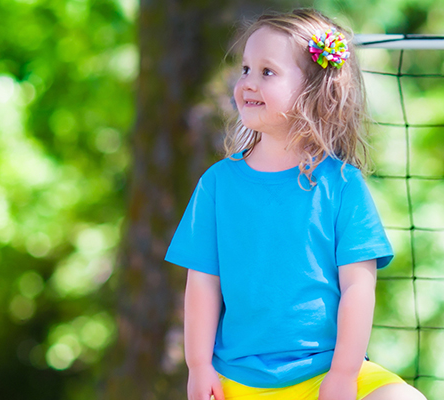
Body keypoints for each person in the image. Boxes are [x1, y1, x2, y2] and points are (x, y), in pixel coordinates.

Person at [165, 9, 425, 400]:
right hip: (237, 380)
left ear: (313, 91)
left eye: (267, 72)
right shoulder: (216, 184)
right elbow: (202, 283)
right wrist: (199, 366)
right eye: (246, 69)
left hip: (327, 376)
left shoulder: (343, 186)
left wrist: (343, 374)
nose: (248, 83)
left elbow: (358, 288)